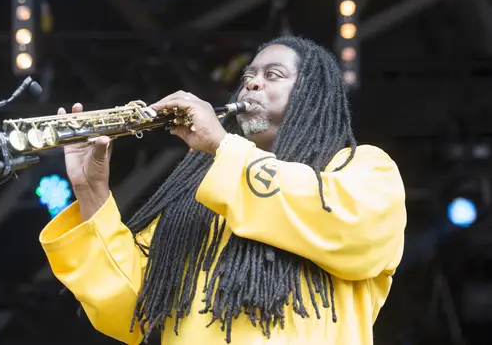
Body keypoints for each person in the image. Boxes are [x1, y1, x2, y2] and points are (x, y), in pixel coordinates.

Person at [38, 35, 406, 345]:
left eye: (272, 75)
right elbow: (132, 309)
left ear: (313, 95)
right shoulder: (196, 199)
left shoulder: (362, 168)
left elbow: (351, 230)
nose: (252, 83)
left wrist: (221, 145)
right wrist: (91, 190)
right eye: (248, 76)